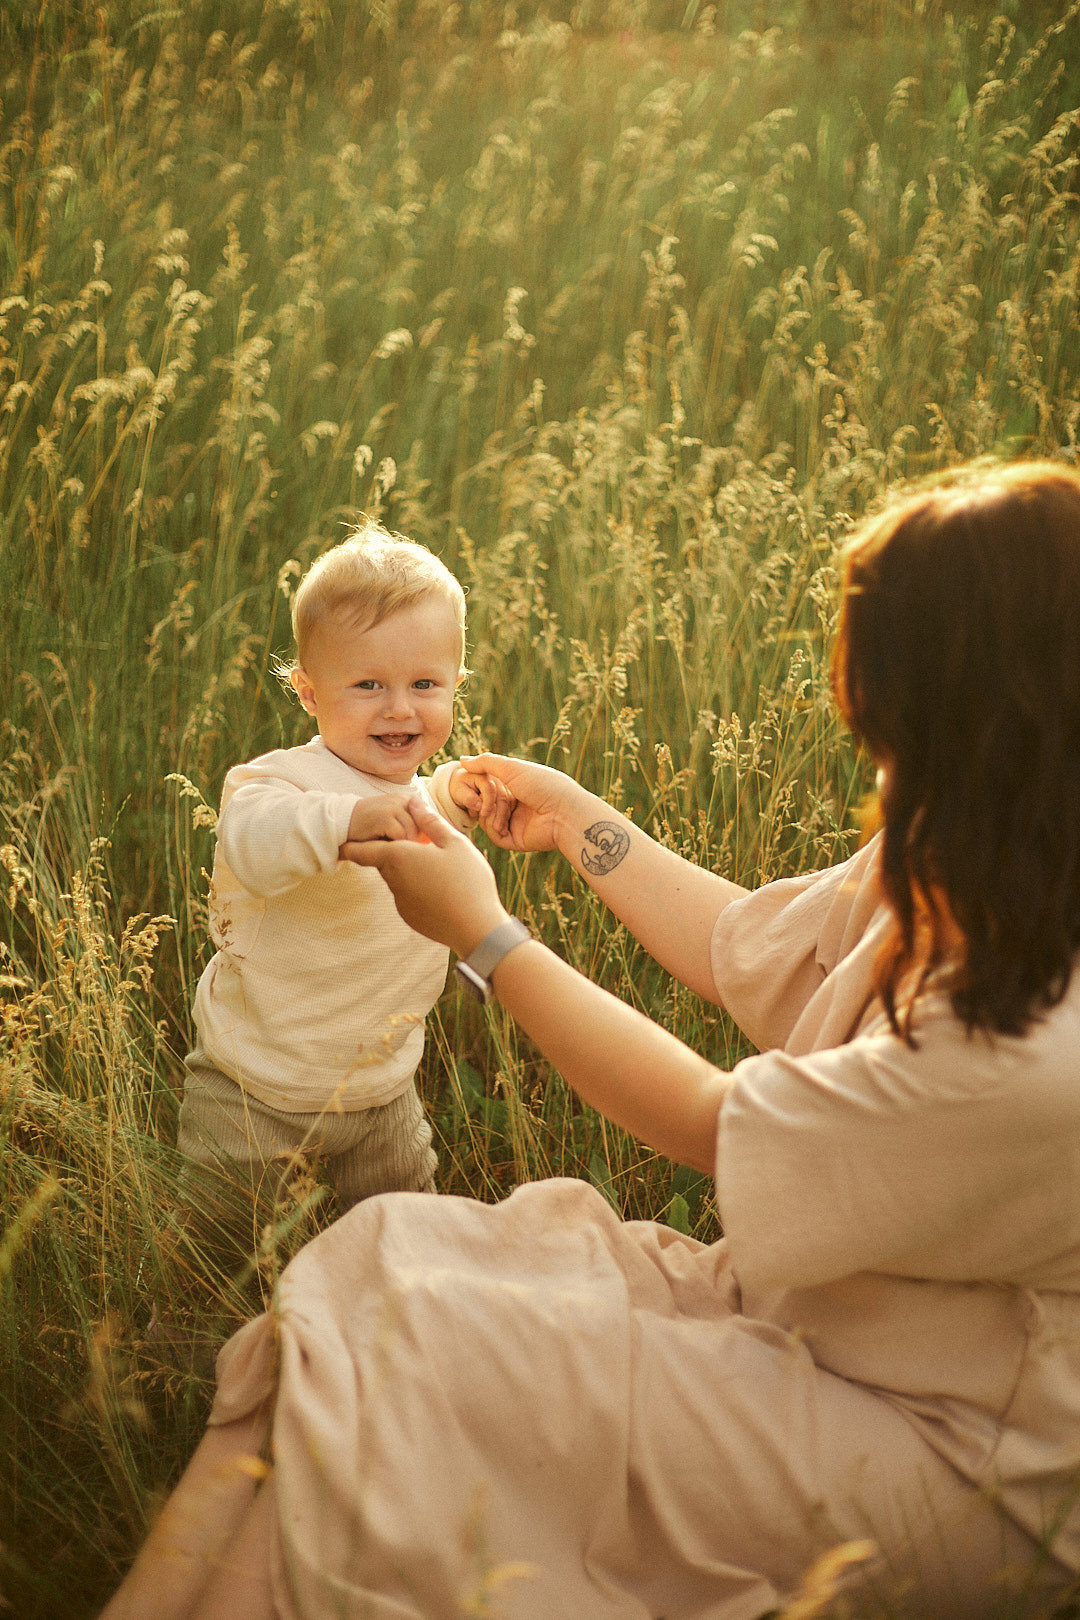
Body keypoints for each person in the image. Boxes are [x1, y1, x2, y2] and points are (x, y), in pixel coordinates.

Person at [107, 462, 1080, 1619]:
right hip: (834, 1319)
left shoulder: (1041, 1046)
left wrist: (485, 935)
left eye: (891, 722)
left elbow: (717, 1126)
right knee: (374, 1271)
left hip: (950, 1448)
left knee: (412, 1361)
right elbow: (748, 943)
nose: (873, 750)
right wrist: (574, 819)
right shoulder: (981, 840)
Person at [176, 522, 505, 1218]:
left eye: (425, 683)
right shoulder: (277, 785)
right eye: (366, 684)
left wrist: (454, 798)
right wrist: (345, 823)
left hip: (383, 1088)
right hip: (255, 1087)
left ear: (457, 686)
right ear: (308, 691)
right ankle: (188, 1330)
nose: (398, 708)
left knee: (405, 1231)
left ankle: (381, 1321)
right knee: (216, 1248)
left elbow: (416, 808)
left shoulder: (415, 789)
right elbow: (252, 843)